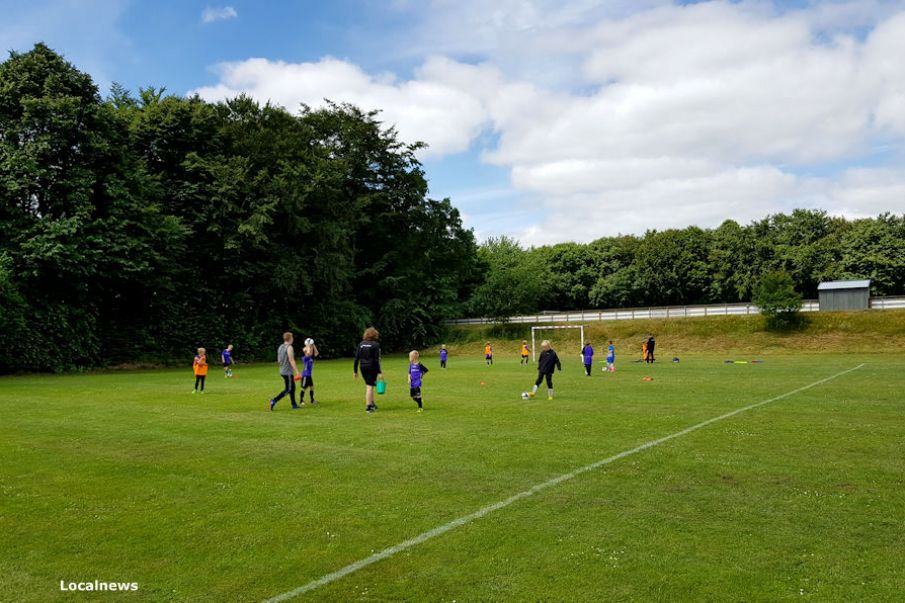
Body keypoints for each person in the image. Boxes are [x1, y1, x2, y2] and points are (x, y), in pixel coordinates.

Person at [354, 327, 382, 413]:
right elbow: (376, 360)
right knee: (369, 386)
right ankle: (368, 406)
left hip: (362, 367)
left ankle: (372, 403)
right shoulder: (375, 345)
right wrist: (379, 372)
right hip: (372, 367)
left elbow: (356, 358)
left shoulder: (361, 344)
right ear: (374, 335)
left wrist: (355, 371)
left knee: (370, 385)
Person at [270, 332, 300, 411]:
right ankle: (274, 400)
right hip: (288, 372)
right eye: (292, 337)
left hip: (282, 371)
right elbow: (291, 360)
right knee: (288, 389)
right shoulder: (289, 347)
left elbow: (279, 360)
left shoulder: (280, 347)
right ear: (290, 338)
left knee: (292, 388)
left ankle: (294, 404)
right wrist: (297, 371)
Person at [300, 340, 319, 405]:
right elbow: (308, 352)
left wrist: (313, 345)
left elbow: (316, 353)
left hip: (309, 375)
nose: (311, 351)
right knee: (303, 388)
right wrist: (308, 345)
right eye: (309, 351)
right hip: (305, 375)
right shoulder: (305, 358)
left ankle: (312, 400)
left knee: (312, 387)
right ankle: (301, 401)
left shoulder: (310, 358)